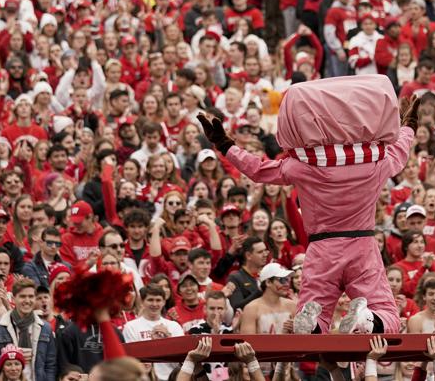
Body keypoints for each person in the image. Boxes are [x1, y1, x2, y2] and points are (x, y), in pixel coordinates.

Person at [200, 76, 418, 335]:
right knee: (385, 311)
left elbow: (257, 169)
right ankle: (368, 320)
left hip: (322, 249)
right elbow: (401, 150)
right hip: (362, 247)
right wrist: (408, 125)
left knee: (316, 311)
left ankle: (313, 323)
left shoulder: (302, 165)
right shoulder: (377, 161)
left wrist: (225, 145)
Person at [0, 277, 58, 381]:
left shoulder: (45, 328)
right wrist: (10, 356)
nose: (27, 301)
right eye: (22, 296)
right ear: (13, 299)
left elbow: (50, 366)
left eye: (31, 296)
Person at [121, 285, 185, 380]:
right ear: (142, 302)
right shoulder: (130, 327)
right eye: (150, 300)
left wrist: (169, 341)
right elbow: (132, 361)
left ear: (164, 302)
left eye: (158, 300)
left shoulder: (174, 326)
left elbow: (181, 363)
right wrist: (154, 345)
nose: (154, 304)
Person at [238, 262, 296, 334]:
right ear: (268, 282)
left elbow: (303, 340)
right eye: (282, 280)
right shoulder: (251, 309)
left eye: (288, 280)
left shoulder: (292, 306)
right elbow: (248, 342)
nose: (287, 284)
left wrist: (297, 329)